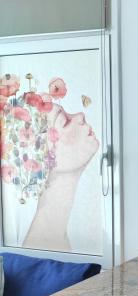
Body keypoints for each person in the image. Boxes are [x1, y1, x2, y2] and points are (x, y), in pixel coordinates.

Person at [0, 74, 99, 250]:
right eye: (65, 122)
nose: (81, 115)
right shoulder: (41, 242)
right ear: (41, 156)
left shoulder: (55, 235)